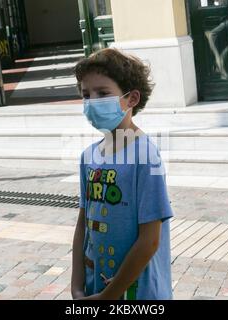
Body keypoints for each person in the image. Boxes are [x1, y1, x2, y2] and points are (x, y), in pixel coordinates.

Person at [71, 48, 174, 300]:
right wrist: (76, 285)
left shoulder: (145, 156)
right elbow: (83, 223)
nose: (92, 102)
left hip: (139, 294)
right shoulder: (88, 157)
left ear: (132, 99)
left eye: (103, 93)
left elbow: (150, 239)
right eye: (86, 95)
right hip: (95, 287)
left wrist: (110, 296)